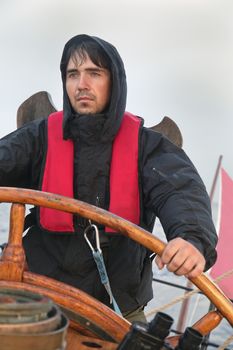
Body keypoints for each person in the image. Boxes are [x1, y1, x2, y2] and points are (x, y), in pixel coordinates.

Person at [0, 34, 217, 322]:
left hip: (118, 309)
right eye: (73, 74)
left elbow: (180, 191)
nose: (82, 85)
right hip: (36, 295)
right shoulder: (39, 137)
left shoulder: (148, 147)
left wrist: (192, 239)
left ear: (114, 81)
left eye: (94, 73)